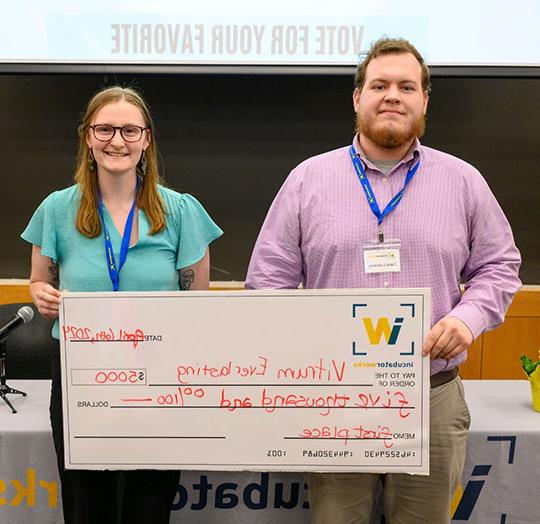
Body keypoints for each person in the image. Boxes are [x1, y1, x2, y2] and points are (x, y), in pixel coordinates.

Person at [245, 38, 521, 524]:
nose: (392, 95)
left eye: (406, 86)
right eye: (379, 85)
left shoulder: (463, 181)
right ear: (358, 98)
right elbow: (268, 282)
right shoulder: (308, 180)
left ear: (424, 100)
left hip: (430, 395)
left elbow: (499, 265)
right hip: (335, 399)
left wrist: (468, 318)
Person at [21, 86, 223, 524]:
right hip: (82, 372)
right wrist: (40, 295)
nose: (118, 141)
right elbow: (38, 282)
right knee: (84, 500)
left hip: (160, 373)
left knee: (149, 501)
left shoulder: (181, 212)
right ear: (87, 138)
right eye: (106, 129)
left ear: (147, 139)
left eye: (130, 130)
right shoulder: (57, 209)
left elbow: (198, 304)